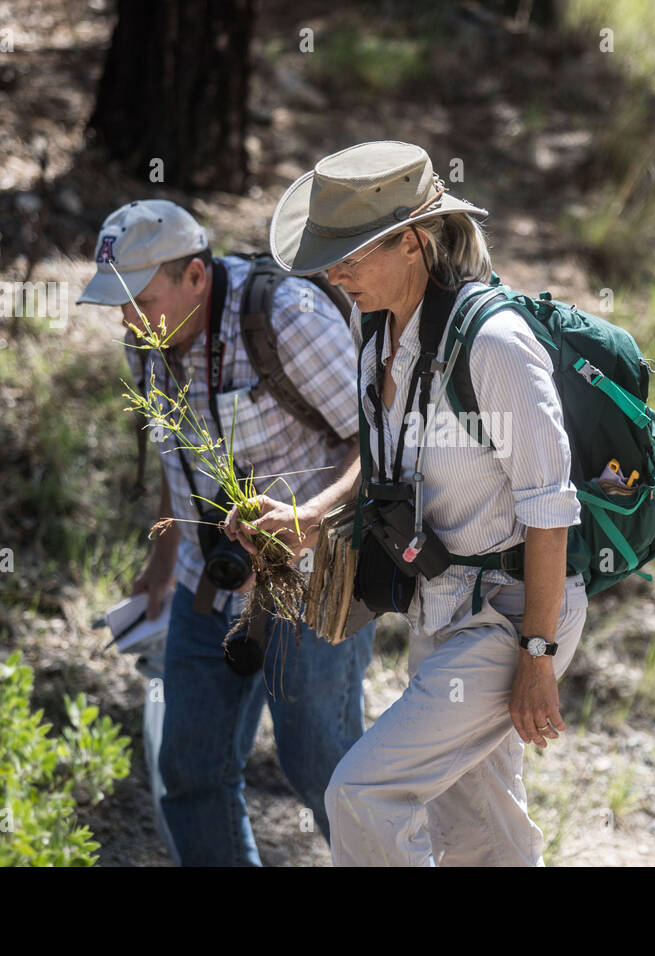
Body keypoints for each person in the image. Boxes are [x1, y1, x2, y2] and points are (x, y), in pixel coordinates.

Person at [231, 141, 588, 866]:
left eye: (353, 253)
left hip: (513, 616)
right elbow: (386, 474)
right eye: (329, 254)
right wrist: (306, 522)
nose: (335, 274)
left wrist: (538, 657)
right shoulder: (376, 339)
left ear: (412, 241)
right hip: (441, 614)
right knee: (484, 836)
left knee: (360, 795)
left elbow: (551, 512)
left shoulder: (496, 344)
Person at [77, 199, 375, 866]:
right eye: (118, 305)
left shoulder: (286, 318)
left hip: (315, 581)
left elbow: (379, 443)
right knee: (188, 772)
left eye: (141, 299)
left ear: (195, 276)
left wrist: (309, 518)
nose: (128, 319)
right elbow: (174, 453)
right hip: (204, 585)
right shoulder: (147, 342)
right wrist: (162, 561)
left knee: (325, 771)